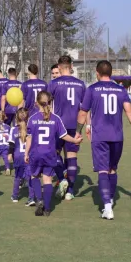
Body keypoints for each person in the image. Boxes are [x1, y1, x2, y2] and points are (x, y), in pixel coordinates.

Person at [77, 60, 131, 220]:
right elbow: (130, 112)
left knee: (102, 170)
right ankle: (110, 200)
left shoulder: (92, 89)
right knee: (112, 169)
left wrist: (78, 132)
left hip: (99, 136)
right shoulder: (120, 90)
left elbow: (83, 113)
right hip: (117, 137)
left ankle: (107, 207)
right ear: (111, 73)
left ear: (97, 73)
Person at [25, 91, 82, 217]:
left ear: (36, 103)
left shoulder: (32, 119)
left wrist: (26, 153)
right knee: (47, 179)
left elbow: (29, 138)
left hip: (36, 153)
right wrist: (74, 140)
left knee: (35, 176)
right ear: (50, 103)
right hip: (50, 154)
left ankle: (39, 199)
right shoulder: (56, 119)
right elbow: (63, 135)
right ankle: (47, 207)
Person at [48, 55, 86, 200]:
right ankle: (70, 191)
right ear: (71, 66)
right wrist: (84, 127)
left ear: (58, 66)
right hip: (74, 126)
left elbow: (44, 103)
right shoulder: (80, 84)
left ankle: (62, 177)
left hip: (58, 125)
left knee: (53, 154)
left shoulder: (53, 83)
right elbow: (84, 109)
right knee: (71, 157)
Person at [9, 108, 36, 205]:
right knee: (30, 177)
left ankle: (15, 196)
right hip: (29, 156)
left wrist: (10, 156)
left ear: (16, 117)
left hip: (18, 157)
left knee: (17, 177)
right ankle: (31, 198)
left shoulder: (13, 129)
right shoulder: (31, 128)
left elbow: (11, 145)